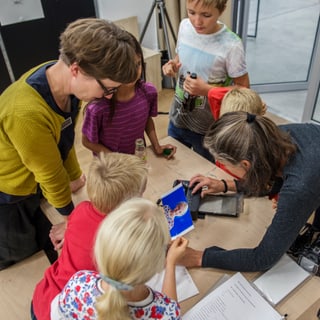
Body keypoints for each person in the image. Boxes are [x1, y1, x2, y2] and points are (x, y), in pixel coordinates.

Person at [0, 18, 138, 270]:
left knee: (47, 231)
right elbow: (49, 173)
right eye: (107, 89)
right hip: (12, 193)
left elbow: (63, 141)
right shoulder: (25, 113)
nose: (107, 97)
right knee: (22, 257)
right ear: (76, 69)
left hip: (37, 181)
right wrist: (72, 221)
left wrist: (74, 176)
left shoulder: (65, 84)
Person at [178, 111, 320, 272]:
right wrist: (225, 185)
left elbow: (262, 258)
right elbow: (272, 178)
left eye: (224, 163)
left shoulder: (300, 187)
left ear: (245, 165)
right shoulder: (267, 136)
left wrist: (199, 257)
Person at [31, 153, 148, 320]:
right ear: (127, 206)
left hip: (43, 297)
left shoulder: (82, 208)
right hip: (65, 312)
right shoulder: (120, 236)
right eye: (141, 195)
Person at [50, 197, 188, 319]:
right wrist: (170, 264)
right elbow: (170, 311)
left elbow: (57, 314)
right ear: (158, 266)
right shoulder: (166, 312)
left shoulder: (78, 283)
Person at [162, 0, 249, 161]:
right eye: (191, 12)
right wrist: (173, 65)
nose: (197, 21)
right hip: (178, 118)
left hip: (208, 127)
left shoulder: (231, 44)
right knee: (174, 163)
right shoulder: (185, 26)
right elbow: (180, 57)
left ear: (221, 10)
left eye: (206, 15)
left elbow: (244, 89)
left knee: (203, 172)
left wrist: (207, 90)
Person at [82, 33, 177, 159]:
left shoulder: (148, 92)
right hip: (110, 167)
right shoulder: (97, 108)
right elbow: (87, 141)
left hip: (137, 160)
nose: (132, 72)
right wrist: (118, 159)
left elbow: (147, 120)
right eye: (124, 67)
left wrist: (157, 146)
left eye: (137, 64)